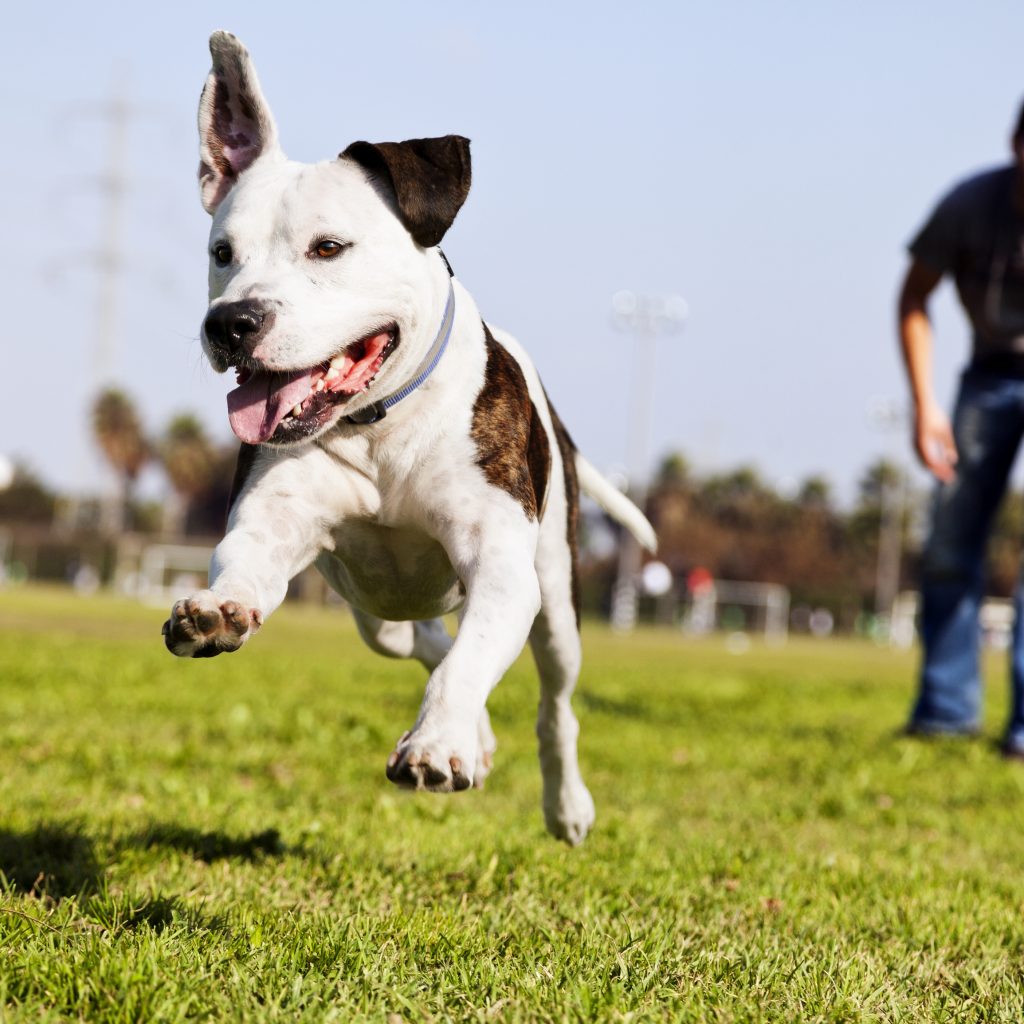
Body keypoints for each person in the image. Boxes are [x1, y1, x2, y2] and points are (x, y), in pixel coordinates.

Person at [900, 101, 1024, 753]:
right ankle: (946, 712)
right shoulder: (971, 207)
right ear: (1016, 144)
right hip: (989, 374)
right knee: (951, 541)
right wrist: (925, 405)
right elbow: (915, 296)